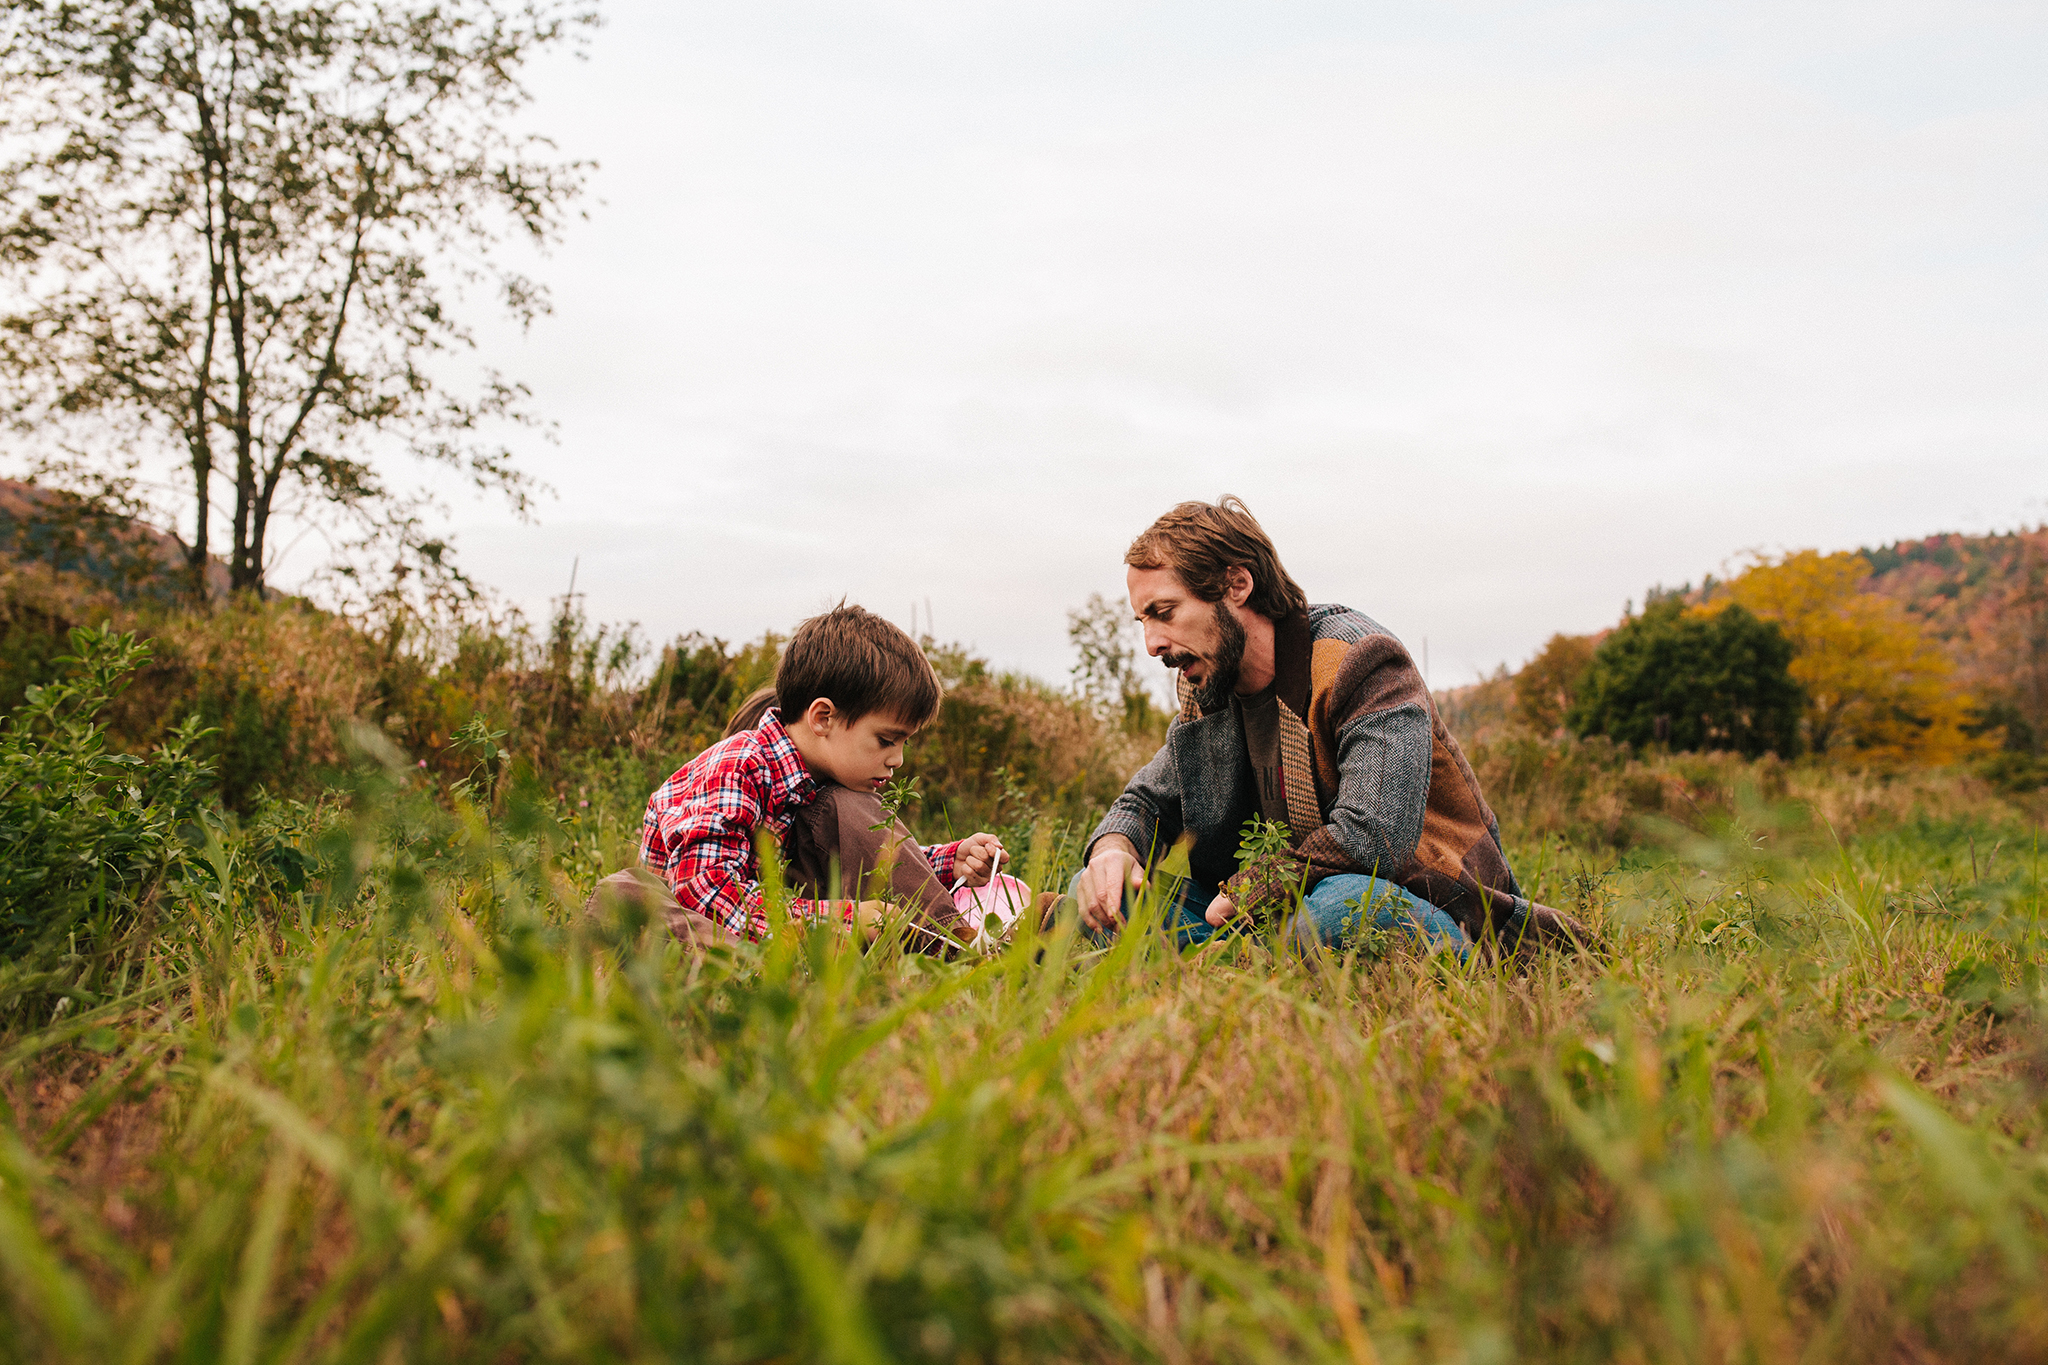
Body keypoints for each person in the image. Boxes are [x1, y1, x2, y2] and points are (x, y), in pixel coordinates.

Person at [1072, 496, 1591, 956]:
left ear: (1236, 585)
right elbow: (1144, 802)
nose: (1153, 645)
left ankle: (1213, 959)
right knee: (1097, 893)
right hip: (1263, 913)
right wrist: (1114, 852)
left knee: (1337, 911)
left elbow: (1373, 836)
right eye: (1144, 622)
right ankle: (1243, 961)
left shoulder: (1359, 661)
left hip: (1411, 896)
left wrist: (1243, 891)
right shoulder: (1210, 694)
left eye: (1164, 612)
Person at [637, 604, 1008, 953]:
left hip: (784, 917)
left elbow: (857, 857)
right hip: (705, 929)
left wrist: (947, 861)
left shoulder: (822, 784)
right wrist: (843, 918)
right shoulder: (737, 766)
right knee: (624, 896)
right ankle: (956, 947)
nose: (897, 760)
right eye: (886, 740)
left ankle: (955, 941)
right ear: (823, 718)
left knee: (845, 805)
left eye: (903, 743)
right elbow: (707, 894)